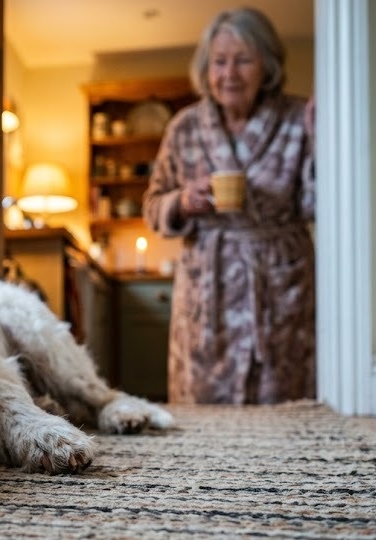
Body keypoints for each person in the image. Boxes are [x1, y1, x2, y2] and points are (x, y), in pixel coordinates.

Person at [142, 7, 316, 404]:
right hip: (209, 281)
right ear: (206, 67)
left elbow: (318, 203)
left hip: (280, 279)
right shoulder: (184, 127)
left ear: (266, 65)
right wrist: (183, 201)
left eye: (243, 60)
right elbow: (152, 206)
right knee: (204, 401)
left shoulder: (297, 119)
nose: (229, 74)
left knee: (285, 398)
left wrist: (325, 140)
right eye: (219, 61)